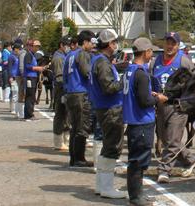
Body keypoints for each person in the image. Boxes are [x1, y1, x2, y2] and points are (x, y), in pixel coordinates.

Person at [153, 32, 195, 184]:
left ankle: (164, 170)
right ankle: (191, 159)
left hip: (178, 107)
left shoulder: (183, 61)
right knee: (166, 139)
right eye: (168, 42)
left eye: (173, 43)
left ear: (178, 45)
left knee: (172, 140)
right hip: (160, 105)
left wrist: (186, 100)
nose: (170, 46)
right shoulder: (156, 61)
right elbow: (151, 79)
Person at [89, 29, 126, 199]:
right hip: (110, 109)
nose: (116, 45)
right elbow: (109, 87)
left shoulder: (98, 60)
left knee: (107, 146)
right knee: (112, 147)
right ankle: (107, 187)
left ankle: (100, 185)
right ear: (110, 44)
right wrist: (123, 81)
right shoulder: (102, 62)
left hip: (103, 108)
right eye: (115, 42)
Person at [124, 37, 162, 206]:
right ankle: (135, 197)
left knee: (136, 160)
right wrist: (158, 98)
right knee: (138, 161)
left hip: (133, 120)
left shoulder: (129, 70)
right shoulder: (141, 73)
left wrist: (149, 95)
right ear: (146, 52)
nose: (152, 54)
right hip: (141, 121)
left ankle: (137, 193)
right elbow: (144, 101)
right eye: (151, 51)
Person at [64, 30, 97, 167]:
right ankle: (79, 158)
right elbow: (87, 72)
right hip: (80, 93)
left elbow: (64, 75)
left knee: (74, 126)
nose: (93, 45)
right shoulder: (82, 54)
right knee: (82, 126)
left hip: (70, 92)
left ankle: (73, 158)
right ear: (85, 42)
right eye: (91, 42)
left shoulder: (70, 55)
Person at [52, 36, 71, 151]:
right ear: (61, 45)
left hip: (63, 88)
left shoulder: (63, 56)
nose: (68, 47)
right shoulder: (59, 58)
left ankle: (65, 140)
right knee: (60, 114)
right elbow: (60, 77)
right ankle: (58, 142)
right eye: (66, 45)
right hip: (61, 88)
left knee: (66, 115)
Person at [23, 40, 45, 121]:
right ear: (31, 46)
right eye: (36, 46)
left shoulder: (33, 55)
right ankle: (29, 115)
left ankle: (29, 114)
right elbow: (28, 66)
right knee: (30, 96)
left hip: (33, 77)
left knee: (32, 96)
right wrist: (38, 68)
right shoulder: (28, 55)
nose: (37, 48)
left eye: (38, 47)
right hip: (30, 77)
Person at [8, 42, 21, 115]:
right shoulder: (11, 56)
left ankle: (15, 108)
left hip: (18, 76)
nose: (20, 50)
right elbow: (9, 68)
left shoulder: (18, 56)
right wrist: (10, 77)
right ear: (15, 49)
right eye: (19, 49)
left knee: (16, 92)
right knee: (14, 93)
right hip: (13, 76)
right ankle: (12, 108)